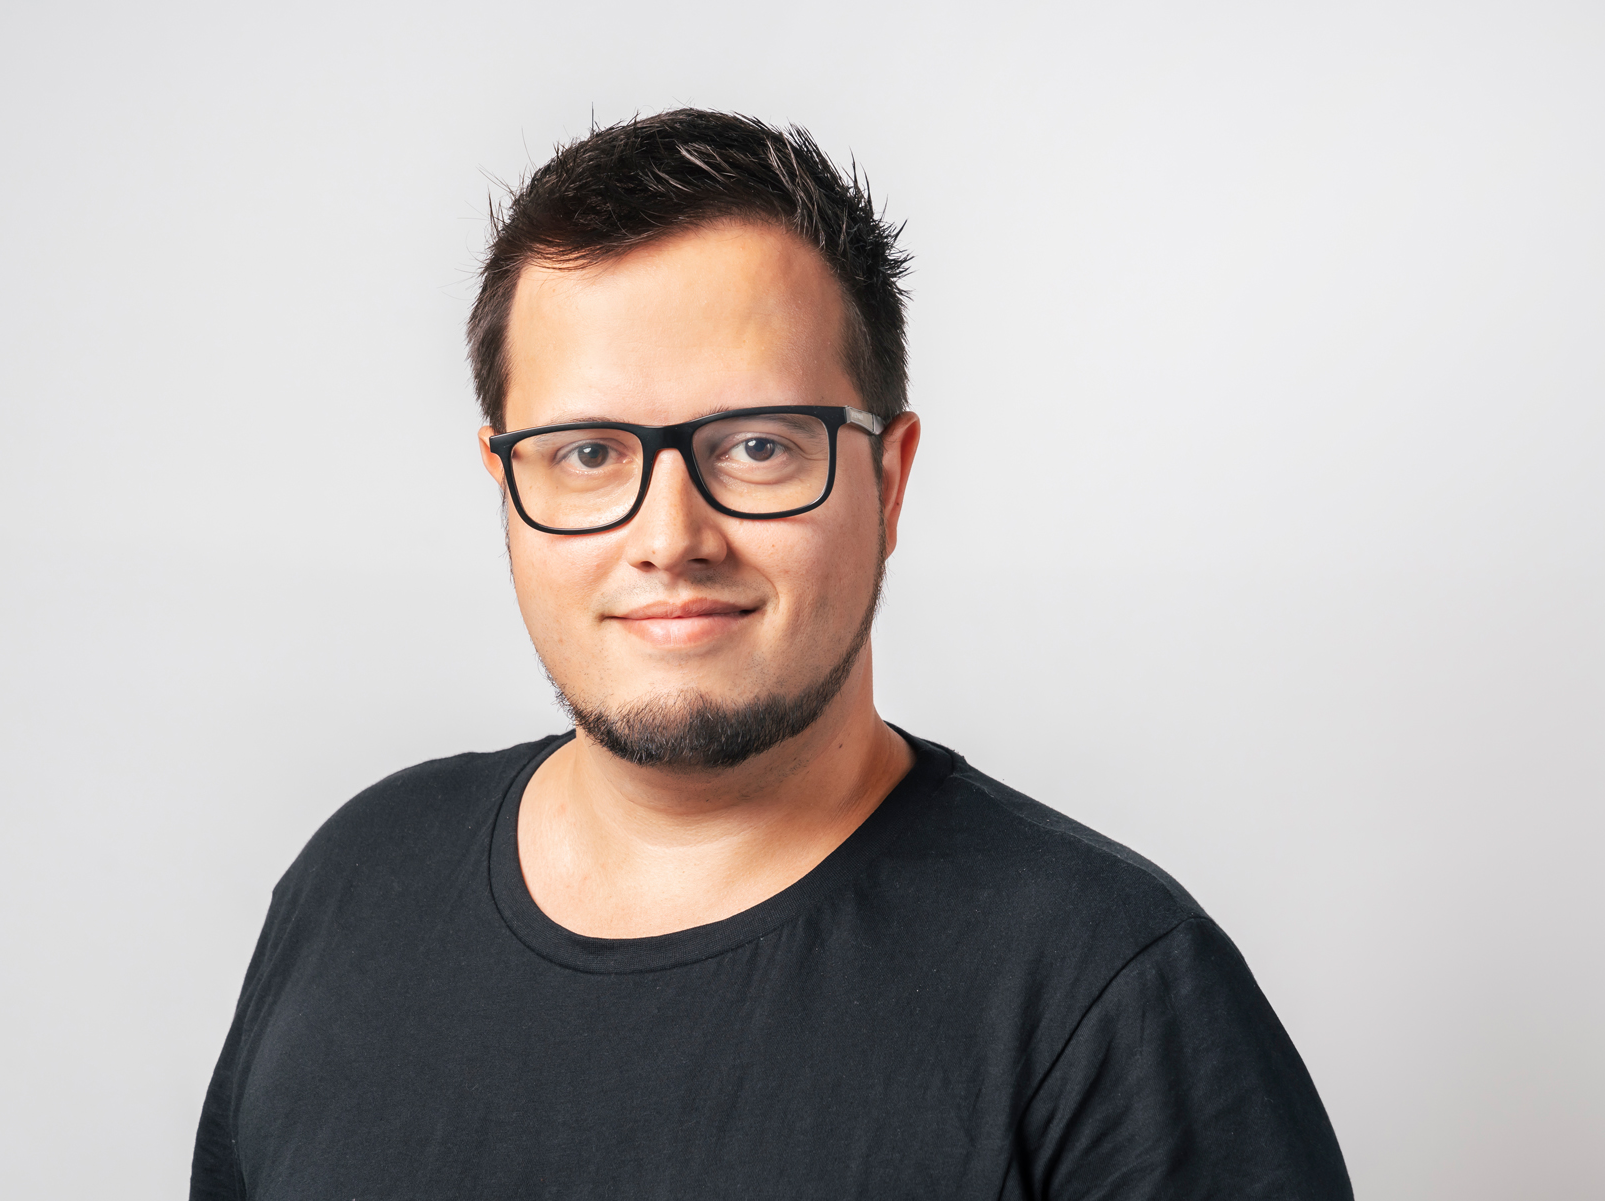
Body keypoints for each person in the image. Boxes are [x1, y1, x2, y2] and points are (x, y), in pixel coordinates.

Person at [191, 109, 1352, 1200]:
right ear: (507, 484)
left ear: (887, 481)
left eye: (756, 445)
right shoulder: (354, 887)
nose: (670, 540)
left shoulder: (1113, 994)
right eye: (588, 453)